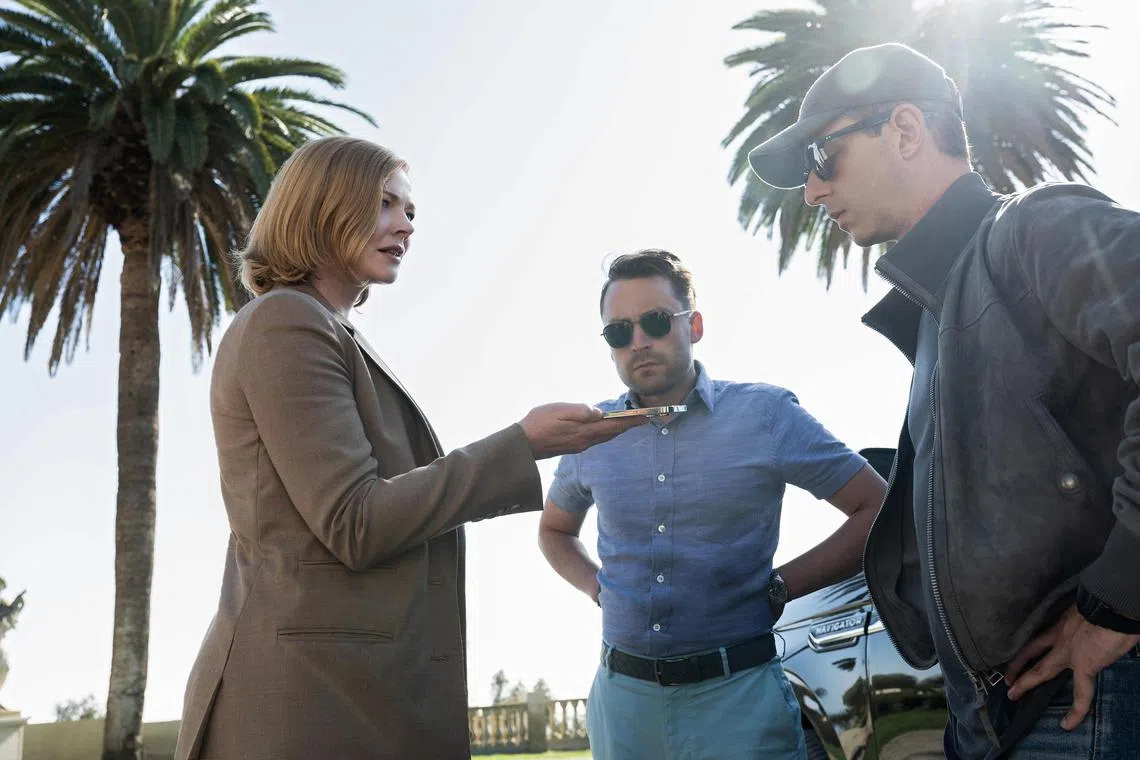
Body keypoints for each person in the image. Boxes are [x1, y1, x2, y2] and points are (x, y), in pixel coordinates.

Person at [174, 136, 645, 760]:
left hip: (349, 694)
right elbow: (354, 520)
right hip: (305, 705)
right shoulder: (286, 323)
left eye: (411, 211)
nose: (406, 224)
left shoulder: (328, 330)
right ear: (321, 207)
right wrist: (521, 446)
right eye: (385, 204)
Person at [747, 42, 1140, 759]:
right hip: (996, 719)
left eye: (822, 156)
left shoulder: (1032, 230)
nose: (809, 191)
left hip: (1091, 703)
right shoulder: (939, 311)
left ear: (904, 129)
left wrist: (1118, 600)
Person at [538, 249, 887, 760]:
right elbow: (553, 531)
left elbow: (876, 506)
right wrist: (598, 588)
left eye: (655, 322)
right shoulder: (591, 434)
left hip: (740, 698)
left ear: (694, 325)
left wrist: (783, 586)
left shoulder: (765, 415)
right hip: (624, 704)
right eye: (619, 331)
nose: (638, 342)